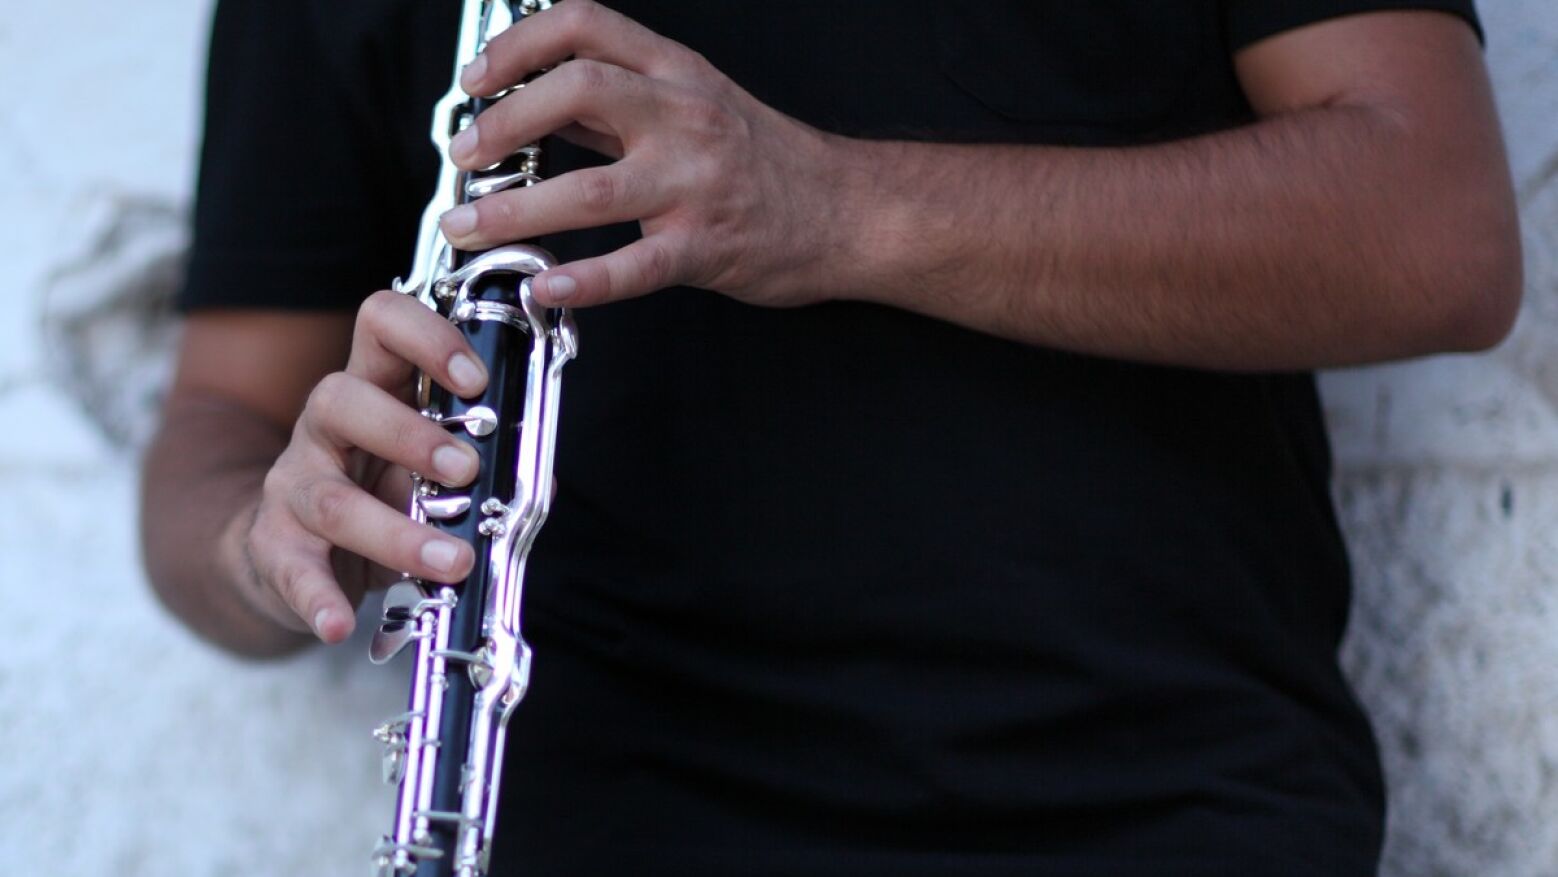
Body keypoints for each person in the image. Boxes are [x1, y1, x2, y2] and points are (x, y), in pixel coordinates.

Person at [141, 0, 1521, 873]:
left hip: (1148, 817)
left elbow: (1432, 228)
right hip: (596, 828)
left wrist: (836, 209)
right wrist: (275, 537)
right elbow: (224, 420)